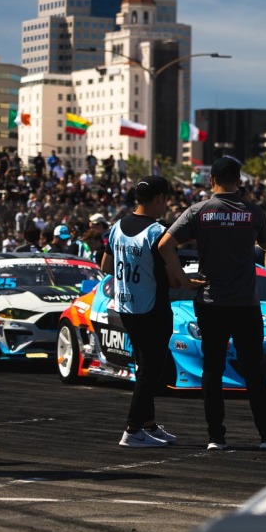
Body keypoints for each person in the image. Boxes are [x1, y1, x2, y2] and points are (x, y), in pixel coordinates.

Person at [159, 156, 266, 452]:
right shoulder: (253, 212)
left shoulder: (199, 211)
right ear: (239, 180)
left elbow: (165, 245)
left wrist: (182, 279)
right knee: (254, 370)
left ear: (211, 180)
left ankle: (216, 437)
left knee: (212, 370)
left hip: (210, 301)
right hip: (245, 303)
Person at [102, 176, 183, 448]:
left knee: (143, 365)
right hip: (153, 307)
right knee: (151, 370)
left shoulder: (116, 227)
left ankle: (148, 424)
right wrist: (191, 282)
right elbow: (173, 280)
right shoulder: (157, 232)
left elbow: (105, 265)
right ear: (159, 198)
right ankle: (132, 429)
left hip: (127, 305)